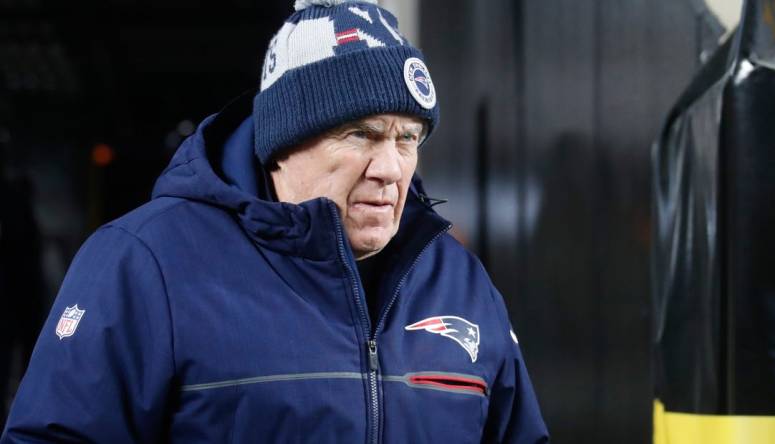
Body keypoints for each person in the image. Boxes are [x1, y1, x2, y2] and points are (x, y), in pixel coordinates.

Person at [1, 1, 549, 442]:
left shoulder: (458, 279)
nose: (391, 168)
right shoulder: (145, 263)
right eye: (362, 134)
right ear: (282, 145)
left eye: (408, 139)